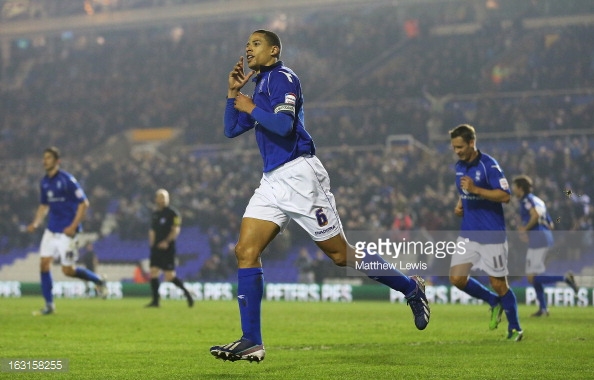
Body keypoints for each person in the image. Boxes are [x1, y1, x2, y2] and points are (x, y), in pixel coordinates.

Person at [210, 30, 430, 363]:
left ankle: (410, 288)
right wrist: (232, 93)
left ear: (274, 49)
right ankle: (251, 340)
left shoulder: (284, 78)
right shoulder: (259, 85)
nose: (248, 49)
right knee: (246, 250)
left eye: (255, 44)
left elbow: (284, 128)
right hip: (271, 180)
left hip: (300, 174)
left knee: (340, 255)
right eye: (247, 45)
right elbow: (230, 129)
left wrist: (251, 105)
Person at [448, 124, 523, 341]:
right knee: (457, 278)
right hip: (468, 233)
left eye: (460, 146)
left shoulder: (489, 165)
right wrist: (461, 201)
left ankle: (515, 328)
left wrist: (475, 190)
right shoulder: (459, 166)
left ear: (472, 142)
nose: (457, 151)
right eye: (454, 147)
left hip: (491, 234)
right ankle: (493, 301)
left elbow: (505, 196)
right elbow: (465, 189)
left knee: (499, 284)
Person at [27, 147, 107, 315]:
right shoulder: (44, 182)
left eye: (48, 158)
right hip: (51, 229)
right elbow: (43, 205)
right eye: (44, 157)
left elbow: (84, 203)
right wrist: (36, 222)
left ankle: (98, 280)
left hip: (67, 232)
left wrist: (73, 226)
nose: (44, 161)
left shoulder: (67, 180)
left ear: (57, 161)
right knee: (43, 264)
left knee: (68, 271)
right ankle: (49, 305)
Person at [511, 175, 579, 316]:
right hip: (544, 236)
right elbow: (550, 224)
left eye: (514, 187)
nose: (513, 189)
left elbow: (535, 215)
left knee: (531, 277)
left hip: (538, 238)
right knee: (536, 275)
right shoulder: (538, 200)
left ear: (520, 188)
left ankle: (564, 278)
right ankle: (543, 309)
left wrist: (525, 229)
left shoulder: (526, 200)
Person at [146, 189, 194, 308]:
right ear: (156, 199)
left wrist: (167, 241)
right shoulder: (155, 214)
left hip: (167, 248)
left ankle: (188, 294)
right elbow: (152, 230)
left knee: (169, 276)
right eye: (160, 197)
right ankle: (155, 301)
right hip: (156, 248)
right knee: (153, 272)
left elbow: (176, 229)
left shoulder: (173, 213)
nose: (163, 199)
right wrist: (152, 245)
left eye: (165, 197)